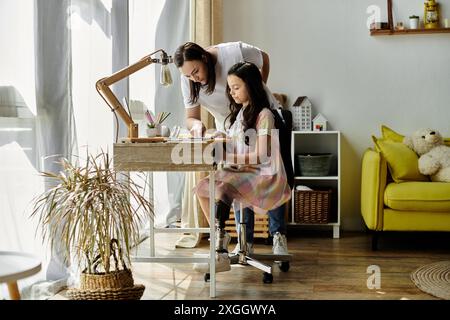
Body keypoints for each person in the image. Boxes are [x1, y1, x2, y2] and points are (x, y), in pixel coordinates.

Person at [174, 41, 289, 257]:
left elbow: (264, 57)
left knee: (256, 178)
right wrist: (208, 132)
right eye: (188, 76)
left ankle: (277, 236)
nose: (194, 79)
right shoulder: (233, 114)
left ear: (205, 59)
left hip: (260, 142)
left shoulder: (235, 53)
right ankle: (239, 239)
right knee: (219, 184)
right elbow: (193, 118)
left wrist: (256, 95)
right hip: (239, 127)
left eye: (196, 71)